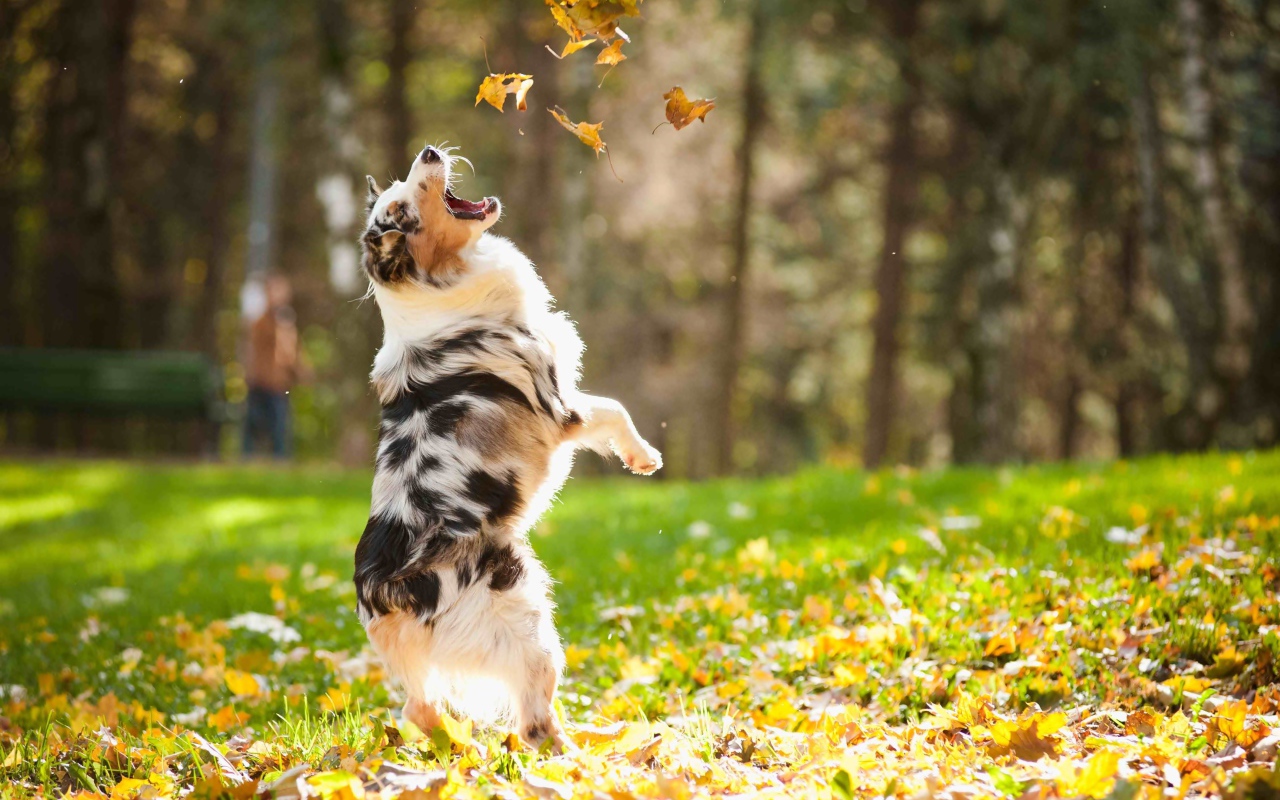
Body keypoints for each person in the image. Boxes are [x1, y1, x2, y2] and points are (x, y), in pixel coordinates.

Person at [242, 274, 304, 458]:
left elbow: (291, 352)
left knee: (280, 429)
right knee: (252, 427)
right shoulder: (260, 321)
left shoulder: (285, 320)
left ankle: (280, 461)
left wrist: (300, 370)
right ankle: (247, 460)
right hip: (259, 382)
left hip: (279, 386)